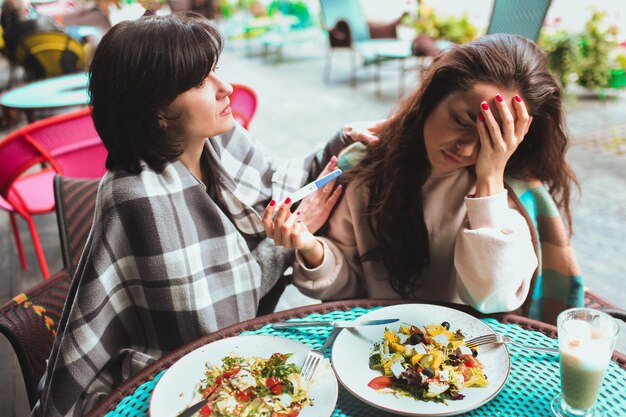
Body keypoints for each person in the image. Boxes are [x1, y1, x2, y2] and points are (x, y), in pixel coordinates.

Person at [34, 12, 376, 416]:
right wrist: (288, 242)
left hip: (234, 358)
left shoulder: (218, 140)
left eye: (216, 70)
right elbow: (212, 321)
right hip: (169, 375)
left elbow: (282, 184)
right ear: (157, 111)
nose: (226, 87)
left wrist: (345, 141)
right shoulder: (136, 198)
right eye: (200, 82)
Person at [264, 33, 583, 320]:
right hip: (376, 345)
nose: (468, 148)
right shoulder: (366, 168)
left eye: (492, 137)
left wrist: (489, 180)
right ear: (433, 97)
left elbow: (491, 298)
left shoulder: (513, 196)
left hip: (466, 363)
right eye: (461, 120)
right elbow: (350, 283)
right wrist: (311, 247)